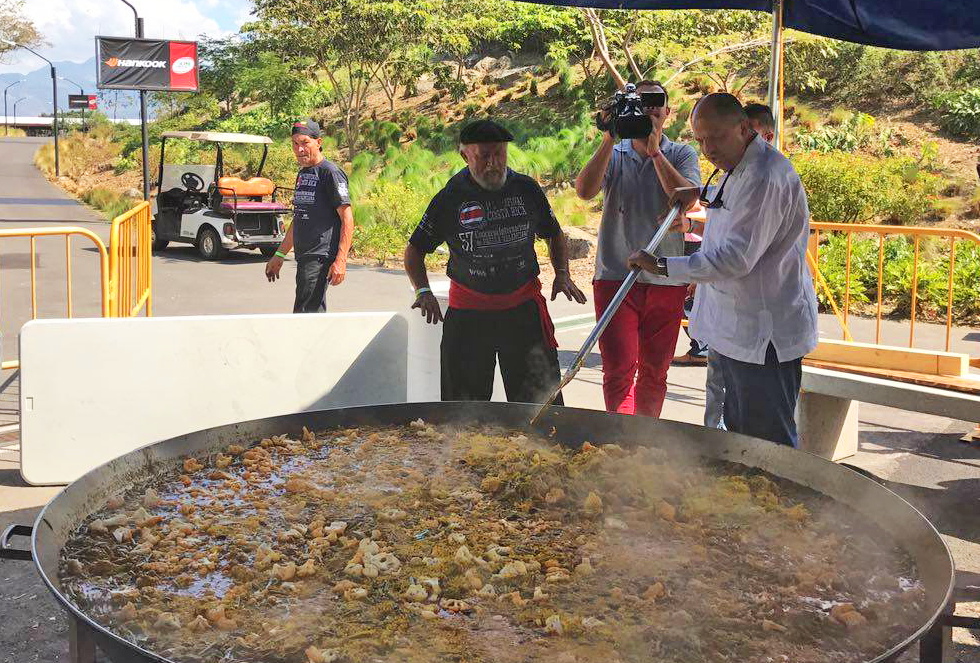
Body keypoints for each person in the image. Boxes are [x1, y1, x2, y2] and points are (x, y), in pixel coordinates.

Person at [627, 93, 817, 447]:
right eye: (700, 140)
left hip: (763, 336)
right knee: (740, 433)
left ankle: (775, 503)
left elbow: (735, 258)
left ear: (744, 128)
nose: (707, 149)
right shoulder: (738, 169)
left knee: (767, 444)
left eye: (714, 138)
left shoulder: (765, 175)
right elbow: (728, 212)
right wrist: (696, 198)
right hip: (735, 330)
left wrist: (663, 266)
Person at [404, 119, 587, 403]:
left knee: (541, 405)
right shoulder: (450, 198)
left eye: (499, 154)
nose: (493, 163)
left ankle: (541, 447)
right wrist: (423, 290)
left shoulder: (526, 190)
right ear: (465, 156)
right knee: (463, 410)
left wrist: (562, 273)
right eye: (483, 156)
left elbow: (554, 233)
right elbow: (415, 250)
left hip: (523, 311)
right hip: (469, 315)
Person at [574, 80, 702, 418]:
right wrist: (608, 136)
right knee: (617, 369)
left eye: (656, 102)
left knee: (655, 371)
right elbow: (585, 191)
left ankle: (646, 441)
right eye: (640, 103)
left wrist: (655, 150)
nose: (649, 109)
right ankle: (622, 440)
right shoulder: (615, 154)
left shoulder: (681, 153)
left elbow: (687, 197)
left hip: (665, 277)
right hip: (615, 275)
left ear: (668, 111)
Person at [265, 119, 354, 313]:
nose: (299, 149)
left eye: (305, 143)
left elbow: (347, 218)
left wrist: (341, 260)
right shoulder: (303, 173)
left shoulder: (330, 173)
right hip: (305, 256)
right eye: (295, 144)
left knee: (305, 314)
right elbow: (299, 218)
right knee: (311, 313)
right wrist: (280, 254)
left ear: (318, 142)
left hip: (320, 256)